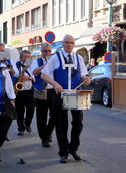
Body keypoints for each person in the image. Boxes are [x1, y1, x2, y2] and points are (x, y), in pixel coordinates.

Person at [41, 34, 91, 163]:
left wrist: (85, 79)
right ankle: (63, 152)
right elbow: (44, 75)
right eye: (67, 42)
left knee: (78, 122)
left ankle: (74, 148)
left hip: (76, 94)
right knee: (61, 124)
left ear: (74, 45)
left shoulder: (79, 58)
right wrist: (56, 84)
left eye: (72, 43)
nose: (69, 45)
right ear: (62, 44)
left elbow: (82, 75)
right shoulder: (55, 58)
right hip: (60, 94)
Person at [31, 42, 54, 147]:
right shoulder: (37, 61)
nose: (48, 53)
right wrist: (45, 65)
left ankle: (48, 132)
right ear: (41, 52)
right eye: (45, 51)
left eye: (49, 51)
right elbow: (34, 72)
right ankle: (44, 138)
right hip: (41, 90)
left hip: (53, 91)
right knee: (41, 117)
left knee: (55, 114)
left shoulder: (54, 60)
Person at [0, 42, 19, 141]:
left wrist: (7, 65)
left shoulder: (9, 61)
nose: (1, 53)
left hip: (8, 91)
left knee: (10, 114)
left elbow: (16, 74)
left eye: (2, 51)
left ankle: (4, 132)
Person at [15, 50, 35, 136]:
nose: (26, 58)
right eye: (24, 57)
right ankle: (21, 128)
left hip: (30, 91)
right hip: (19, 92)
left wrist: (29, 78)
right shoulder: (16, 66)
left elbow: (36, 76)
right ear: (20, 58)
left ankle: (27, 123)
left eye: (28, 57)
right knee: (20, 111)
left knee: (31, 109)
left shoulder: (32, 66)